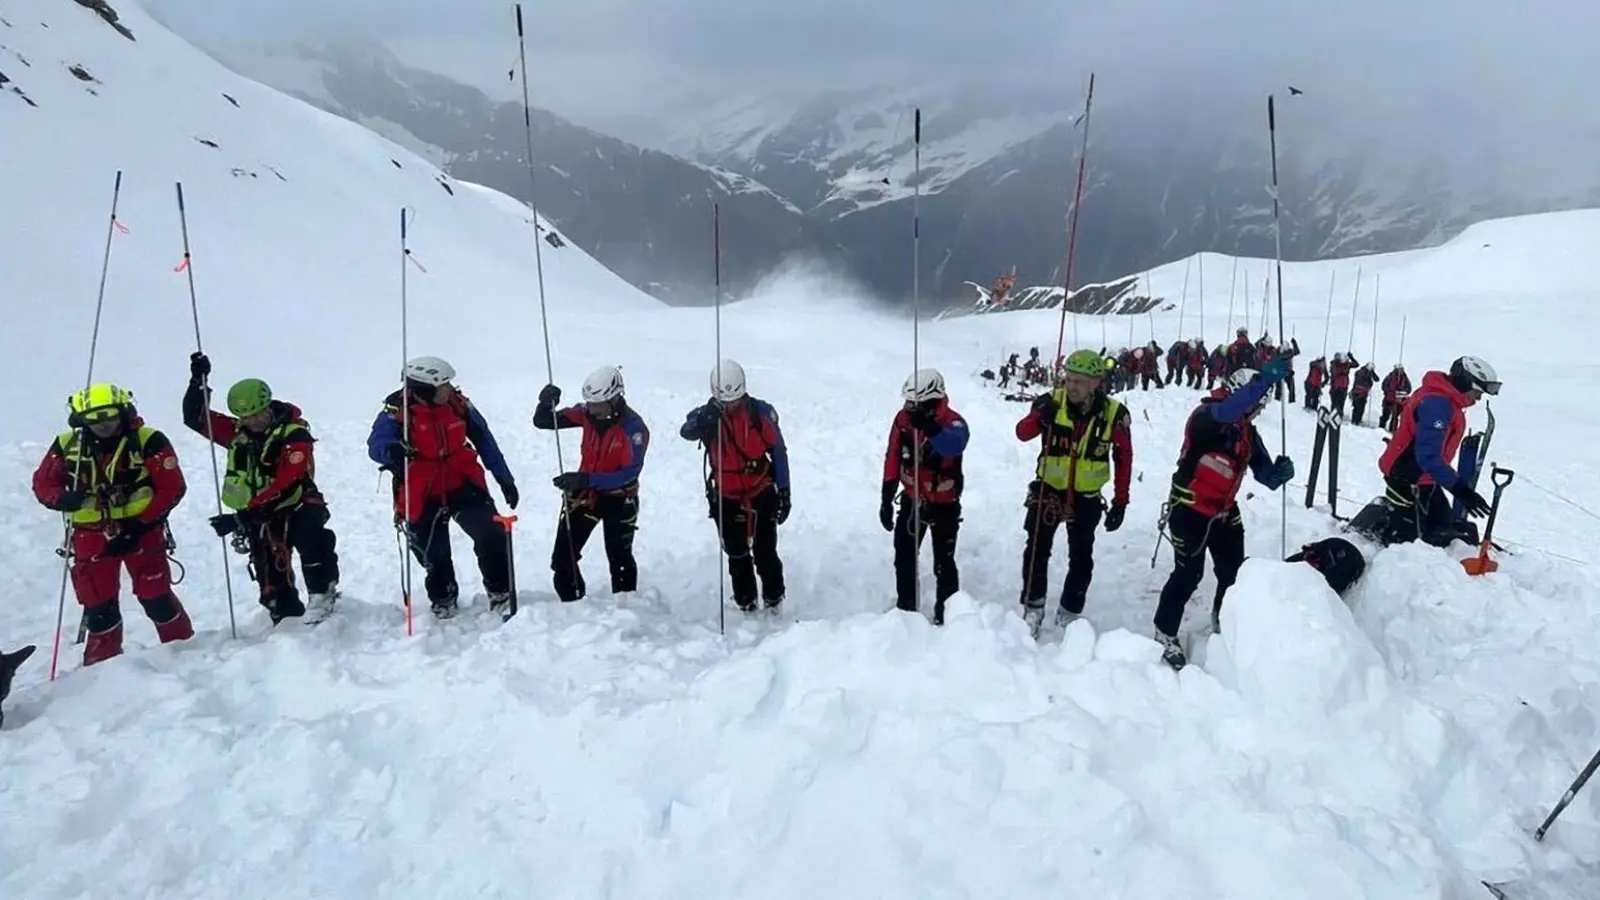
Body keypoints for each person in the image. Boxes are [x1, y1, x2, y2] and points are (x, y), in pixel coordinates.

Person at [31, 384, 195, 665]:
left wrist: (139, 525)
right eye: (93, 419)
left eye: (108, 416)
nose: (102, 424)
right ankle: (102, 667)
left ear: (122, 412)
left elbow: (172, 487)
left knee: (156, 597)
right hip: (90, 535)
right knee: (99, 606)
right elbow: (43, 482)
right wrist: (61, 498)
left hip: (142, 532)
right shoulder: (68, 444)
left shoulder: (148, 440)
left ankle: (187, 653)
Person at [1154, 360, 1295, 670]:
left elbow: (1265, 476)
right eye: (1257, 402)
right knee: (1188, 575)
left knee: (1232, 574)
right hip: (1190, 508)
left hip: (1224, 512)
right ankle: (1164, 631)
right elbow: (1228, 412)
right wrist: (1264, 380)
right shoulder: (1208, 415)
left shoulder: (1247, 433)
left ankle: (1224, 623)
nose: (1258, 411)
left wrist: (1279, 473)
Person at [183, 353, 340, 624]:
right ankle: (284, 614)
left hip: (296, 503)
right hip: (259, 513)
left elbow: (286, 482)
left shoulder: (294, 435)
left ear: (268, 407)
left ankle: (322, 594)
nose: (253, 421)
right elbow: (195, 418)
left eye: (257, 414)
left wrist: (241, 518)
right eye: (245, 416)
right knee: (269, 575)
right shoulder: (238, 434)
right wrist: (198, 381)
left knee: (312, 538)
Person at [367, 357, 519, 619]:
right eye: (443, 385)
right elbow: (376, 444)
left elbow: (484, 438)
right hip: (421, 488)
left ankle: (500, 591)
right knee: (433, 553)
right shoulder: (396, 410)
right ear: (424, 388)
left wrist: (504, 478)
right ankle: (443, 597)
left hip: (462, 479)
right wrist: (391, 449)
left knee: (491, 533)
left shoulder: (457, 404)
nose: (449, 389)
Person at [1016, 349, 1133, 635]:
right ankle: (1033, 605)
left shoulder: (1114, 414)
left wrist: (1120, 501)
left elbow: (1124, 457)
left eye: (1079, 381)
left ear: (1096, 382)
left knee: (1081, 556)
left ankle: (1070, 609)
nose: (1071, 386)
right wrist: (1040, 418)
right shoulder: (1050, 402)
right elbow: (1022, 432)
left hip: (1087, 497)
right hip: (1048, 490)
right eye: (1068, 379)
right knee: (1035, 550)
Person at [535, 365, 649, 603]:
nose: (591, 408)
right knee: (563, 557)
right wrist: (545, 402)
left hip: (619, 498)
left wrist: (585, 479)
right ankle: (573, 603)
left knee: (619, 555)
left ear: (615, 399)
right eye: (589, 403)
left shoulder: (634, 429)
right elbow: (544, 421)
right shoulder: (585, 413)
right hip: (586, 495)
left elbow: (628, 474)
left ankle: (626, 608)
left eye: (597, 404)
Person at [683, 360, 789, 612]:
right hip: (726, 494)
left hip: (760, 489)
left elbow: (778, 451)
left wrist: (784, 491)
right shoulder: (706, 415)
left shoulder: (760, 413)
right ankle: (745, 601)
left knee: (765, 552)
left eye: (735, 401)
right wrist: (703, 422)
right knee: (736, 552)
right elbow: (686, 430)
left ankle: (774, 599)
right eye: (725, 402)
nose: (731, 406)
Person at [1373, 356, 1498, 546]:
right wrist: (1461, 491)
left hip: (1424, 477)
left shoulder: (1445, 401)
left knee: (1442, 530)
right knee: (1413, 541)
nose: (1478, 398)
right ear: (1464, 383)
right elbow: (1428, 456)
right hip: (1407, 478)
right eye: (1477, 391)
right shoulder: (1438, 405)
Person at [879, 368, 969, 622]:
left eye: (913, 403)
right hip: (911, 501)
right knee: (904, 557)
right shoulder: (903, 420)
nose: (908, 407)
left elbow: (954, 444)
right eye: (907, 403)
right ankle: (906, 611)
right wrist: (886, 496)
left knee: (944, 562)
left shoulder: (954, 423)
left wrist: (931, 429)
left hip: (945, 504)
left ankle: (947, 614)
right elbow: (893, 455)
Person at [1378, 364, 1412, 433]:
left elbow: (1409, 389)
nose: (1401, 371)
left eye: (1402, 369)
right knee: (1385, 414)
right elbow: (1384, 386)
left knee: (1395, 416)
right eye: (1399, 369)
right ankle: (1381, 428)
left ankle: (1392, 430)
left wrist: (1402, 392)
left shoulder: (1405, 378)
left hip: (1398, 401)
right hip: (1389, 399)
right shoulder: (1390, 377)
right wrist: (1390, 392)